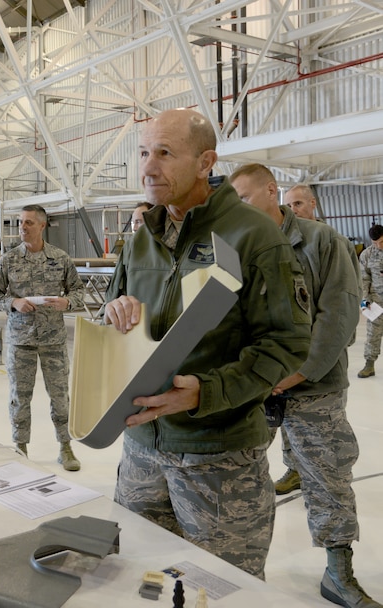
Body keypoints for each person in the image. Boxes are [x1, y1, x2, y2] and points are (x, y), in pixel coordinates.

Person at [104, 109, 312, 579]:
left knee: (222, 587)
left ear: (205, 162)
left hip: (217, 459)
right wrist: (113, 315)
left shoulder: (254, 237)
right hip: (140, 449)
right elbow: (112, 310)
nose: (148, 168)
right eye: (142, 153)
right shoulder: (141, 240)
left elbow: (287, 343)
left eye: (164, 153)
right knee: (141, 581)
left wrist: (206, 391)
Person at [230, 163, 379, 608]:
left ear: (271, 191)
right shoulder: (237, 249)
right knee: (236, 480)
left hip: (314, 388)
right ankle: (238, 571)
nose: (238, 210)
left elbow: (339, 317)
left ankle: (339, 573)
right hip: (254, 387)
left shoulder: (322, 241)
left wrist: (294, 374)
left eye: (244, 198)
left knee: (328, 480)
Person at [0, 204, 85, 471]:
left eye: (29, 222)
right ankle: (20, 447)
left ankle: (65, 446)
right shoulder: (9, 260)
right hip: (21, 340)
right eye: (21, 222)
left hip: (53, 339)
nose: (23, 227)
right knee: (20, 396)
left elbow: (77, 290)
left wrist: (67, 302)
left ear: (42, 226)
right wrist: (14, 302)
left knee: (60, 396)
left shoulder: (60, 258)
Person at [358, 224, 383, 378]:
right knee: (372, 333)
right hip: (376, 301)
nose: (379, 246)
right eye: (375, 243)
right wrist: (364, 303)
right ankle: (369, 365)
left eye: (381, 242)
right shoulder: (366, 254)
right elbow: (363, 279)